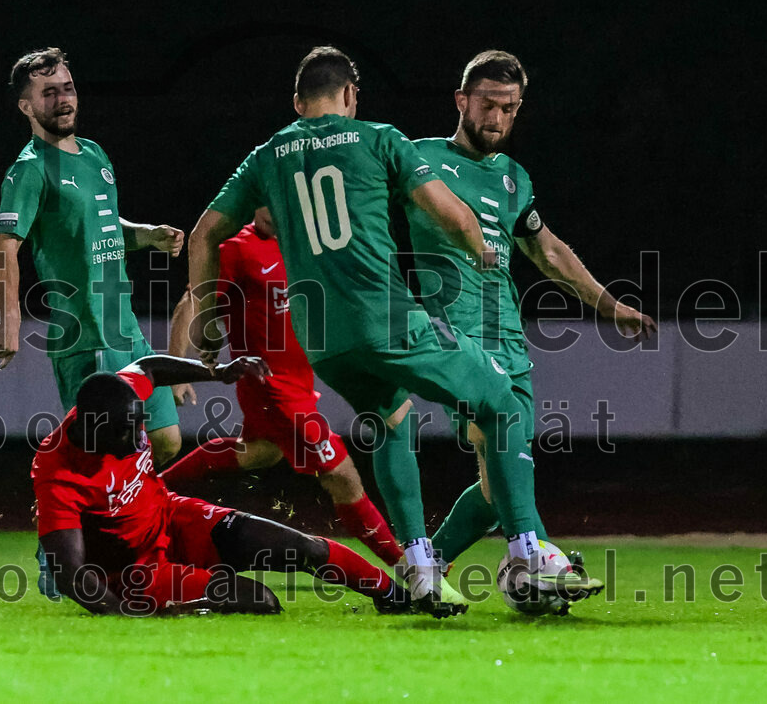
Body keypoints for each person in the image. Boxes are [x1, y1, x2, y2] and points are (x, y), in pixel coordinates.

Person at [187, 46, 603, 614]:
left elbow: (203, 233)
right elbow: (452, 213)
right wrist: (482, 251)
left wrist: (209, 323)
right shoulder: (379, 137)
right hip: (388, 320)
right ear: (351, 96)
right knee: (502, 403)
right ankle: (528, 551)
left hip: (326, 343)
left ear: (297, 103)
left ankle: (421, 565)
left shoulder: (267, 155)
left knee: (390, 419)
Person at [406, 50, 657, 574]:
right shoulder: (419, 158)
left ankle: (430, 566)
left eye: (509, 108)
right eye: (488, 105)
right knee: (500, 437)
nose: (496, 119)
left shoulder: (514, 178)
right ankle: (539, 558)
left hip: (508, 337)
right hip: (457, 334)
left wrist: (608, 305)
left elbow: (547, 251)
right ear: (461, 101)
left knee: (500, 480)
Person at [33, 354, 432, 617]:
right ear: (92, 430)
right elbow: (71, 573)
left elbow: (147, 368)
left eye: (140, 424)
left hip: (173, 519)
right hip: (138, 574)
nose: (140, 438)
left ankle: (396, 597)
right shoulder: (57, 472)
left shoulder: (117, 402)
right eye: (127, 432)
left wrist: (216, 371)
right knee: (261, 601)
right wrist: (126, 614)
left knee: (300, 547)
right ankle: (173, 604)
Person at [162, 206, 403, 567]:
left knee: (260, 452)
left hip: (299, 384)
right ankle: (408, 568)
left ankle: (152, 485)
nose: (274, 207)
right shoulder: (238, 249)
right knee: (341, 476)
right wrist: (178, 369)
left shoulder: (303, 246)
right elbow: (193, 300)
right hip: (272, 390)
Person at [0, 47, 185, 465]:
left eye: (68, 88)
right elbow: (4, 244)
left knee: (167, 440)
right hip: (86, 334)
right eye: (49, 93)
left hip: (126, 329)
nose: (64, 99)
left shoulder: (95, 154)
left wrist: (146, 236)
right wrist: (10, 316)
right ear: (26, 106)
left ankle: (116, 516)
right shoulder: (30, 169)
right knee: (106, 453)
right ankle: (79, 517)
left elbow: (103, 225)